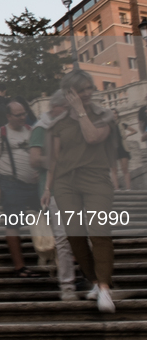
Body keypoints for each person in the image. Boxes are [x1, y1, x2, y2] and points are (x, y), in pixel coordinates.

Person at [44, 71, 116, 313]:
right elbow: (54, 159)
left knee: (99, 232)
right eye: (80, 90)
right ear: (69, 93)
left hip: (96, 178)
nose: (86, 94)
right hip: (65, 183)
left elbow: (93, 137)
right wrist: (47, 188)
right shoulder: (58, 124)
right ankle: (94, 282)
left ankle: (105, 288)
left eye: (89, 89)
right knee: (74, 236)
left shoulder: (103, 115)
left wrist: (81, 112)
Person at [29, 91, 77, 300]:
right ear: (55, 107)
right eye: (66, 108)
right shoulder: (41, 128)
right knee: (63, 238)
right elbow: (34, 160)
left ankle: (94, 281)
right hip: (54, 190)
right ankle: (67, 285)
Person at [0, 101, 40, 277]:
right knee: (13, 223)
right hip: (11, 183)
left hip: (34, 185)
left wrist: (41, 171)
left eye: (24, 113)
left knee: (47, 219)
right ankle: (20, 266)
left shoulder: (32, 131)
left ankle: (50, 257)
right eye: (18, 115)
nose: (22, 117)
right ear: (8, 116)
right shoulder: (0, 133)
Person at [111, 110, 136, 191]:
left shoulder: (122, 124)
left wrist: (126, 135)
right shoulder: (108, 125)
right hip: (113, 149)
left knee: (125, 168)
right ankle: (117, 188)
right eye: (112, 113)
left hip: (122, 148)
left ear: (117, 114)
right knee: (114, 170)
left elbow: (134, 130)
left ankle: (128, 188)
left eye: (115, 113)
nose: (114, 115)